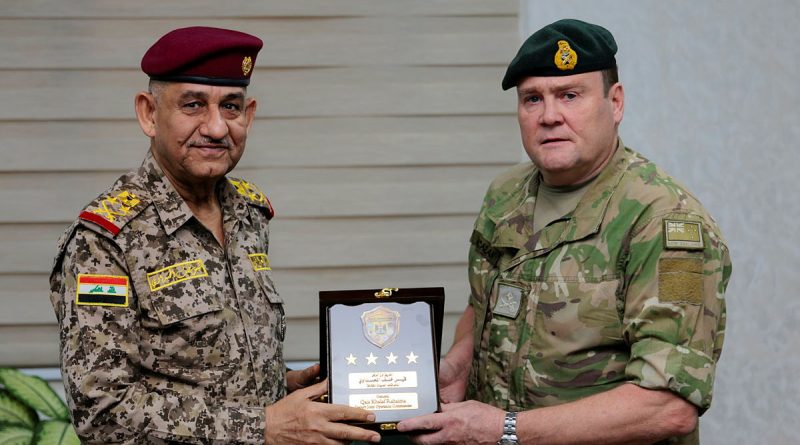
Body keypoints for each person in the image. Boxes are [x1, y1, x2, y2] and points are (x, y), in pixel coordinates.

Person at [397, 19, 731, 445]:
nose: (549, 116)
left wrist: (503, 430)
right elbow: (483, 305)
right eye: (532, 99)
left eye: (569, 95)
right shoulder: (506, 196)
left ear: (616, 102)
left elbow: (668, 405)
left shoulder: (664, 223)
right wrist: (459, 366)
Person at [49, 26, 381, 445]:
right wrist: (264, 426)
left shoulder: (249, 213)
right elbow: (103, 412)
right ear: (149, 114)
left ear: (250, 115)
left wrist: (283, 387)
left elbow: (200, 368)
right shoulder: (105, 241)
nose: (217, 128)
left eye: (231, 107)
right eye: (192, 105)